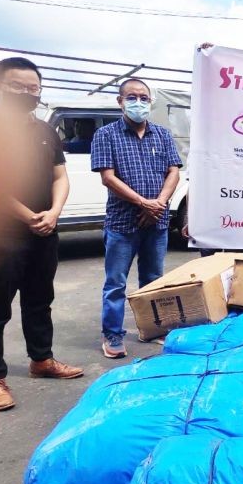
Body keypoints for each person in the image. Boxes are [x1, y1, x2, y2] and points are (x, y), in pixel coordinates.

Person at [0, 57, 83, 412]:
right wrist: (28, 215)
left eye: (33, 88)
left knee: (39, 299)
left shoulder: (46, 131)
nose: (27, 93)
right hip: (4, 234)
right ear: (1, 86)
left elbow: (60, 176)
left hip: (44, 231)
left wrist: (54, 212)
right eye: (18, 86)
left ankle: (41, 360)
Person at [91, 78, 182, 358]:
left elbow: (173, 171)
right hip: (122, 222)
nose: (138, 102)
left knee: (154, 279)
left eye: (144, 97)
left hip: (157, 222)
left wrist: (160, 204)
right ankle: (113, 335)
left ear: (150, 102)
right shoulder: (106, 135)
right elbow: (108, 178)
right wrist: (144, 203)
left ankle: (153, 328)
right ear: (120, 101)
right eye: (132, 97)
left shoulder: (163, 134)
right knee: (116, 282)